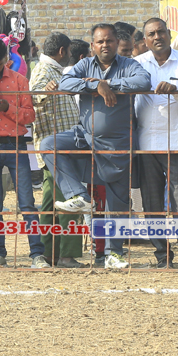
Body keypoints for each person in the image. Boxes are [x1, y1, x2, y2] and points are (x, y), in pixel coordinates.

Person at [41, 23, 150, 269]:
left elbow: (143, 82)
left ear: (116, 43)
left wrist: (108, 85)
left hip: (118, 144)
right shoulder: (84, 65)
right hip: (85, 137)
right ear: (93, 45)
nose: (105, 45)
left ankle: (114, 254)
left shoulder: (129, 65)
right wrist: (94, 86)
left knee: (116, 204)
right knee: (49, 144)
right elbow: (65, 83)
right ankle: (79, 195)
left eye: (109, 41)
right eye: (100, 42)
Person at [135, 17, 178, 270]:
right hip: (146, 142)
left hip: (177, 141)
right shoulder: (137, 64)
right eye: (151, 34)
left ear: (169, 34)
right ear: (145, 40)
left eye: (161, 32)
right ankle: (163, 255)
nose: (157, 37)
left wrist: (176, 88)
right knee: (152, 202)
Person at [0, 38, 46, 269]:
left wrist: (6, 108)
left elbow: (30, 116)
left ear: (6, 59)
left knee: (27, 202)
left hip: (15, 144)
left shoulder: (19, 80)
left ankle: (37, 253)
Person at [31, 33, 87, 268]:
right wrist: (46, 92)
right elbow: (33, 96)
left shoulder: (53, 70)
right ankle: (66, 255)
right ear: (62, 51)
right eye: (69, 52)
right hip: (56, 148)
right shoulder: (45, 70)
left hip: (59, 147)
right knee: (70, 199)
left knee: (51, 202)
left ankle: (49, 252)